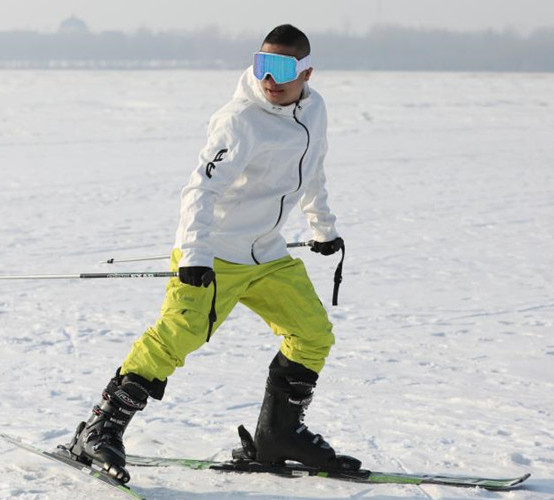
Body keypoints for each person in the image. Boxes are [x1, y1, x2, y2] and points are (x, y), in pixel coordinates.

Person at [66, 24, 355, 483]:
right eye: (262, 65)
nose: (269, 79)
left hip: (267, 255)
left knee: (313, 333)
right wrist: (196, 254)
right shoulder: (239, 120)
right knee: (176, 337)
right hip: (214, 253)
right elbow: (200, 188)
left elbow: (312, 170)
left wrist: (323, 228)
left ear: (307, 72)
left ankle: (279, 435)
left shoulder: (314, 110)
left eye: (282, 68)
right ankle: (99, 430)